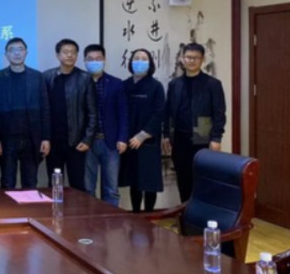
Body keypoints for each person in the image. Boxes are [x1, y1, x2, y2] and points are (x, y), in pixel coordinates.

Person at [163, 42, 226, 202]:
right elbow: (168, 112)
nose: (191, 61)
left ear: (202, 59)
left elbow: (219, 113)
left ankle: (200, 213)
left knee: (202, 178)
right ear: (182, 59)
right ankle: (185, 212)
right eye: (188, 57)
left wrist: (216, 138)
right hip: (179, 139)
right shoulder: (175, 84)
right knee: (183, 178)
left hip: (202, 138)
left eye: (195, 58)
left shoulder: (212, 84)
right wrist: (166, 135)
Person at [0, 37, 50, 189]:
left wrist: (46, 138)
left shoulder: (37, 77)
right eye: (12, 50)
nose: (17, 53)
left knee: (30, 182)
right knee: (7, 182)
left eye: (20, 49)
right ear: (6, 55)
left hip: (31, 138)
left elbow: (45, 109)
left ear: (26, 53)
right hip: (7, 139)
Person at [43, 39, 98, 190]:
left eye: (73, 52)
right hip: (53, 143)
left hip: (76, 142)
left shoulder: (85, 78)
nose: (70, 55)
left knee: (78, 185)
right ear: (57, 55)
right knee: (55, 185)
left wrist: (87, 139)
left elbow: (92, 113)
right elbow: (43, 111)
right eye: (65, 52)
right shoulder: (47, 77)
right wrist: (44, 138)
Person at [120, 49, 166, 213]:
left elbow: (159, 114)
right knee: (134, 181)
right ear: (131, 62)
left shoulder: (156, 86)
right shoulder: (124, 85)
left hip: (148, 140)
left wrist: (142, 136)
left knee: (149, 182)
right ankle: (136, 215)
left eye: (144, 59)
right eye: (136, 58)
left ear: (150, 63)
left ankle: (149, 216)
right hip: (129, 140)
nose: (140, 61)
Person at [82, 44, 128, 206]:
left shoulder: (116, 83)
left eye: (98, 59)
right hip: (86, 142)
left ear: (104, 60)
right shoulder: (80, 82)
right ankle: (90, 219)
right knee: (87, 188)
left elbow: (123, 113)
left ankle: (110, 220)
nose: (94, 62)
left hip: (111, 142)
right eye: (90, 59)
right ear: (84, 61)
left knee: (111, 189)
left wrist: (122, 138)